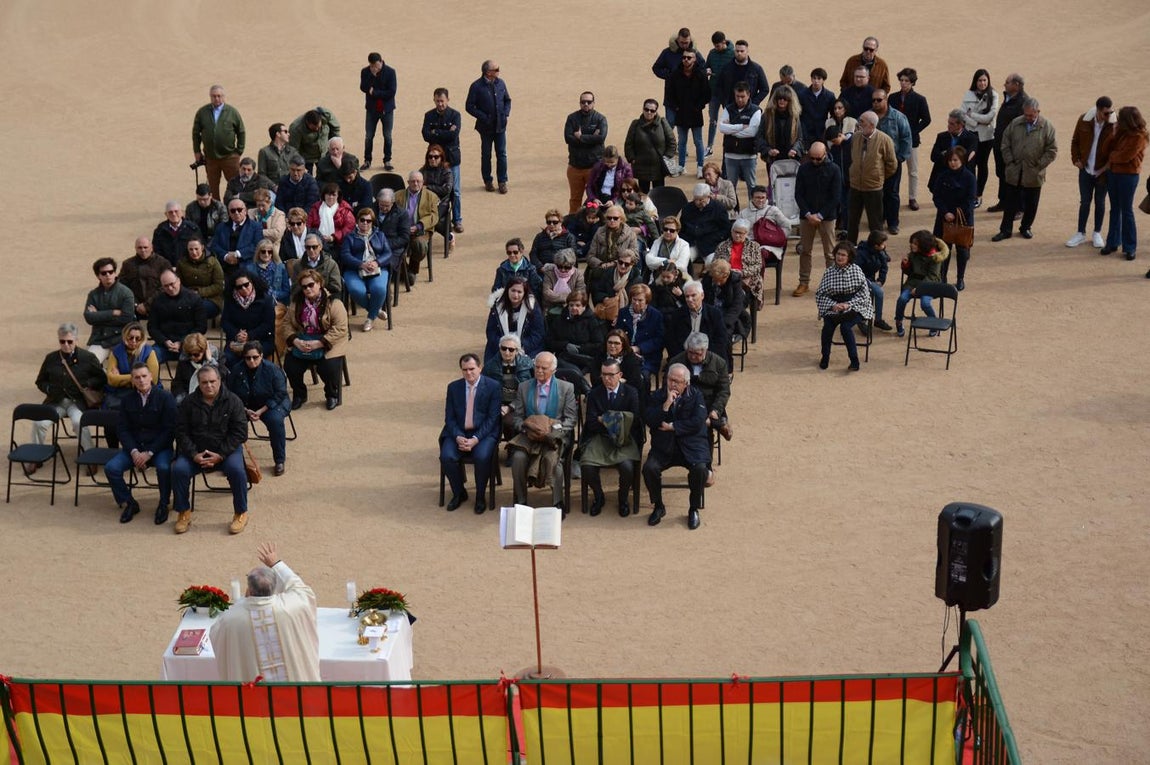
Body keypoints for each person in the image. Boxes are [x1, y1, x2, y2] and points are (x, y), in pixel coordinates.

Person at [209, 542, 320, 682]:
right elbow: (301, 589)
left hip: (257, 699)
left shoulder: (230, 619)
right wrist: (276, 563)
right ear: (274, 588)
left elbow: (217, 637)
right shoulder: (291, 606)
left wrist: (242, 602)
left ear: (249, 589)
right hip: (296, 696)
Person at [170, 365, 249, 535]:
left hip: (225, 451)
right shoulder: (188, 403)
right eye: (204, 382)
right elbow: (181, 431)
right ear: (198, 383)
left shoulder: (234, 401)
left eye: (213, 381)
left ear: (219, 381)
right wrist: (193, 454)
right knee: (179, 470)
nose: (209, 386)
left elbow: (240, 433)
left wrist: (221, 455)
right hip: (196, 451)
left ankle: (241, 512)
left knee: (237, 470)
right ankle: (183, 511)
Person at [105, 362, 176, 524]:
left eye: (144, 376)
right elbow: (123, 429)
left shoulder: (165, 397)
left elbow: (169, 430)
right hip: (135, 448)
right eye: (137, 377)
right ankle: (129, 502)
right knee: (111, 468)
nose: (141, 380)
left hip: (159, 449)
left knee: (165, 468)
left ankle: (163, 503)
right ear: (132, 380)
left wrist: (149, 452)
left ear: (151, 377)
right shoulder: (127, 400)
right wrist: (134, 452)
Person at [643, 362, 709, 530]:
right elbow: (650, 420)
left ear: (686, 383)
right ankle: (658, 506)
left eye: (677, 381)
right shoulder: (657, 396)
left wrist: (673, 427)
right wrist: (665, 405)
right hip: (664, 448)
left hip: (690, 447)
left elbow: (698, 421)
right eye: (670, 380)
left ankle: (693, 509)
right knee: (649, 468)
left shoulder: (696, 396)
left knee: (700, 469)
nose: (673, 384)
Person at [508, 351, 577, 511]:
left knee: (553, 461)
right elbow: (517, 418)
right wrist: (528, 429)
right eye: (536, 367)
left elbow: (570, 419)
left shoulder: (566, 388)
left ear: (553, 370)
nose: (539, 371)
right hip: (529, 436)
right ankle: (521, 501)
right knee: (518, 458)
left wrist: (551, 432)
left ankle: (557, 503)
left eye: (543, 368)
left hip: (554, 437)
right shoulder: (524, 387)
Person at [31, 324, 106, 465]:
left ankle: (90, 457)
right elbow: (40, 381)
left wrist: (88, 384)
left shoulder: (88, 357)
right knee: (39, 423)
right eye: (62, 341)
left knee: (79, 422)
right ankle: (36, 457)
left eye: (69, 341)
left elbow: (101, 378)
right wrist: (48, 389)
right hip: (55, 402)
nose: (66, 345)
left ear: (76, 340)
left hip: (77, 402)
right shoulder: (51, 358)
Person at [580, 357, 643, 517]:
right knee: (587, 465)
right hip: (600, 438)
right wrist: (618, 419)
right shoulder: (595, 394)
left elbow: (634, 420)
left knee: (627, 467)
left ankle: (622, 498)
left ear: (619, 374)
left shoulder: (630, 392)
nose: (607, 378)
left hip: (625, 439)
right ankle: (599, 496)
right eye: (604, 374)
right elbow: (592, 423)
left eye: (611, 375)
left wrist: (605, 418)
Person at [441, 353, 503, 513]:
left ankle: (481, 496)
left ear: (480, 368)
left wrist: (476, 439)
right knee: (447, 457)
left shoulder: (493, 386)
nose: (468, 373)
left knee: (482, 457)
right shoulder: (453, 387)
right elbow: (449, 417)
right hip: (458, 433)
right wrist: (458, 436)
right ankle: (459, 492)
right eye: (464, 370)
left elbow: (493, 418)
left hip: (483, 434)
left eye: (472, 369)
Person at [992, 98, 1058, 241]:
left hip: (1034, 173)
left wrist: (1039, 165)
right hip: (1015, 171)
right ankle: (1005, 230)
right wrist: (1009, 161)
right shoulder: (1016, 123)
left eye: (1031, 115)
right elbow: (1005, 142)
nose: (1028, 118)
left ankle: (1026, 227)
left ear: (1038, 112)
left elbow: (1052, 150)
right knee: (1010, 203)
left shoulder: (1047, 127)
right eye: (1026, 115)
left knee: (1031, 204)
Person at [284, 269, 349, 411]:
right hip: (304, 341)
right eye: (304, 287)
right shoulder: (297, 303)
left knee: (329, 367)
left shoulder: (334, 302)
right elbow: (286, 324)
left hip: (328, 343)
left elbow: (341, 328)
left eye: (311, 285)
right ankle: (299, 395)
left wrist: (320, 343)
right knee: (290, 365)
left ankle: (332, 394)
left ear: (319, 284)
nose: (308, 289)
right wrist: (296, 341)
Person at [229, 342, 290, 476]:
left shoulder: (273, 369)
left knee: (275, 421)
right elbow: (230, 393)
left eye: (255, 357)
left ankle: (279, 460)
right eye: (247, 358)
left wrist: (261, 410)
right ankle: (232, 461)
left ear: (261, 356)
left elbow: (280, 393)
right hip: (246, 405)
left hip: (272, 404)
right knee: (231, 421)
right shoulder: (236, 370)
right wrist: (244, 409)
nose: (251, 361)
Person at [815, 241, 874, 371]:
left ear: (849, 257)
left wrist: (848, 304)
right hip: (834, 307)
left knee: (846, 328)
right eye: (838, 254)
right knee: (827, 328)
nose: (839, 257)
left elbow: (864, 294)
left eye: (843, 255)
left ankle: (854, 361)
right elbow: (820, 294)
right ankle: (825, 357)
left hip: (855, 306)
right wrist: (833, 305)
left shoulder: (856, 270)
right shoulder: (829, 272)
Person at [1068, 97, 1116, 249]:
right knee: (1085, 202)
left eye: (1110, 112)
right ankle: (1080, 233)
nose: (1108, 115)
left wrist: (1106, 167)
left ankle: (1097, 232)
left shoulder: (1113, 124)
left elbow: (1116, 148)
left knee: (1100, 202)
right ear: (1098, 110)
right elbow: (1075, 141)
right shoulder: (1084, 119)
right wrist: (1076, 160)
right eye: (1105, 113)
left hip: (1103, 171)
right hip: (1086, 169)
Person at [794, 143, 842, 296]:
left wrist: (820, 215)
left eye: (818, 159)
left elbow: (835, 197)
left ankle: (832, 284)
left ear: (825, 155)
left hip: (826, 217)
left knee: (830, 253)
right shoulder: (803, 168)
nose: (814, 161)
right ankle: (803, 282)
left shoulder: (834, 169)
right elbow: (798, 194)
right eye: (812, 158)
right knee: (805, 251)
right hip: (806, 216)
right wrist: (808, 214)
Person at [667, 331, 733, 441]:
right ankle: (717, 424)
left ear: (705, 350)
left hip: (708, 401)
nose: (693, 356)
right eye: (690, 352)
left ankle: (713, 423)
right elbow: (669, 384)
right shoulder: (677, 361)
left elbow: (724, 390)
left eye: (697, 354)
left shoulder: (719, 363)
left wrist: (716, 410)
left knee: (706, 418)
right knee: (700, 420)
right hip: (685, 401)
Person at [1102, 106, 1148, 261]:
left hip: (1128, 175)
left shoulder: (1139, 137)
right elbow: (1105, 150)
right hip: (1114, 174)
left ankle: (1130, 247)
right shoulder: (1120, 132)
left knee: (1126, 210)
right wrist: (1112, 134)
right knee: (1114, 208)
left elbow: (1125, 156)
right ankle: (1113, 242)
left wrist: (1112, 156)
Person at [847, 111, 898, 245]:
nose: (859, 123)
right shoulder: (856, 137)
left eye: (862, 121)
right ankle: (850, 247)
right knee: (852, 220)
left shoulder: (884, 140)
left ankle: (878, 249)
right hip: (855, 186)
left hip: (873, 188)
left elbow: (892, 164)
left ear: (871, 125)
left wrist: (878, 177)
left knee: (875, 222)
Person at [340, 207, 394, 332]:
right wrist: (360, 264)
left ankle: (370, 318)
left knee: (379, 289)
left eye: (368, 221)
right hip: (354, 270)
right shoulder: (349, 237)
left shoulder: (380, 235)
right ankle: (375, 310)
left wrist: (377, 262)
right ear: (357, 221)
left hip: (376, 269)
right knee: (356, 290)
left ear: (372, 222)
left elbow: (388, 253)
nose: (365, 223)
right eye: (362, 220)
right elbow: (345, 255)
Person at [931, 147, 977, 290]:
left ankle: (960, 278)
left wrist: (956, 214)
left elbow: (970, 200)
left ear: (962, 160)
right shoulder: (942, 176)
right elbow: (936, 196)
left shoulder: (969, 177)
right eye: (950, 160)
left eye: (956, 160)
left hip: (963, 219)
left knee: (962, 251)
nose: (953, 163)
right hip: (944, 218)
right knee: (944, 249)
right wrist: (945, 212)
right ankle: (942, 277)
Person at [465, 60, 512, 193]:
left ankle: (502, 181)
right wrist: (484, 117)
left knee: (502, 154)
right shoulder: (476, 86)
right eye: (496, 69)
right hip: (485, 127)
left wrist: (505, 114)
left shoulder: (501, 83)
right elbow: (469, 106)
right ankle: (488, 180)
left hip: (500, 125)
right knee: (486, 155)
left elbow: (507, 100)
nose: (499, 71)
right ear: (488, 72)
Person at [422, 87, 464, 232]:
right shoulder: (429, 115)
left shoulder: (455, 115)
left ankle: (457, 220)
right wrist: (445, 132)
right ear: (434, 100)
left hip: (452, 159)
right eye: (438, 101)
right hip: (435, 160)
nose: (440, 104)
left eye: (442, 101)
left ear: (448, 100)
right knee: (433, 187)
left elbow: (454, 135)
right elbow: (425, 135)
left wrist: (436, 132)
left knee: (455, 191)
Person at [192, 85, 245, 200]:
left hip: (230, 156)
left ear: (223, 97)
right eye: (214, 96)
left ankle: (235, 206)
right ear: (210, 97)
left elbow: (241, 132)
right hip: (211, 158)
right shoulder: (202, 112)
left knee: (235, 185)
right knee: (212, 186)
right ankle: (215, 209)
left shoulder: (232, 112)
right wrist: (197, 151)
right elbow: (196, 133)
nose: (216, 98)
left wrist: (239, 150)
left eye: (219, 96)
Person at [889, 68, 931, 211]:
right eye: (901, 80)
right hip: (894, 140)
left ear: (912, 83)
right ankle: (892, 195)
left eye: (906, 81)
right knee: (893, 169)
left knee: (912, 170)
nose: (903, 83)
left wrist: (913, 132)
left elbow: (926, 119)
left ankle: (912, 197)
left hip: (912, 141)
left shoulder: (920, 99)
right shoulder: (892, 97)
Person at [873, 89, 913, 234]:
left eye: (879, 100)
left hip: (892, 162)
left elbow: (906, 138)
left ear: (886, 100)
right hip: (874, 163)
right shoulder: (868, 117)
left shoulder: (898, 117)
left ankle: (893, 222)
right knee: (876, 193)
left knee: (892, 193)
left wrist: (900, 158)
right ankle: (878, 220)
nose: (876, 103)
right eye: (874, 100)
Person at [894, 230, 948, 337]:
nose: (911, 245)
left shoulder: (935, 257)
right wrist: (905, 265)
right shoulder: (913, 255)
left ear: (923, 246)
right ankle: (899, 320)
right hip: (912, 283)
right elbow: (910, 273)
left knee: (925, 303)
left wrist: (919, 289)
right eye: (912, 242)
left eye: (915, 243)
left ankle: (934, 324)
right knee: (902, 299)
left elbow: (932, 276)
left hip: (930, 285)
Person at [666, 48, 710, 178]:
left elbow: (707, 93)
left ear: (695, 59)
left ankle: (700, 167)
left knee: (698, 141)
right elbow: (670, 93)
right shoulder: (675, 74)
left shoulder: (701, 75)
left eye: (689, 58)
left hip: (695, 113)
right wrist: (676, 107)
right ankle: (681, 166)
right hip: (681, 113)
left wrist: (699, 106)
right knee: (682, 141)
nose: (686, 60)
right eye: (684, 57)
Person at [987, 74, 1028, 213]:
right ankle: (1003, 201)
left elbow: (1022, 128)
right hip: (1000, 144)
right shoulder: (1009, 98)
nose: (1004, 84)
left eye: (1007, 82)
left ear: (1016, 85)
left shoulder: (1023, 102)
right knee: (1002, 174)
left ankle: (1019, 208)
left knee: (1016, 178)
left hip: (1013, 148)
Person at [664, 281, 729, 366]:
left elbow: (721, 340)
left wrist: (704, 356)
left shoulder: (714, 314)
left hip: (707, 358)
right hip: (683, 359)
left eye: (693, 295)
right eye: (687, 296)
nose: (689, 299)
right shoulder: (678, 314)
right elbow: (671, 340)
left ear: (702, 295)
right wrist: (683, 357)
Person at [482, 333, 533, 440]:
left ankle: (513, 447)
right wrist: (497, 405)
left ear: (517, 350)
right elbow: (484, 388)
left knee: (511, 421)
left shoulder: (528, 365)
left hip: (521, 403)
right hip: (499, 403)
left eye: (511, 349)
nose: (507, 352)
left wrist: (510, 407)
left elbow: (531, 389)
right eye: (504, 348)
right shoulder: (490, 366)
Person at [83, 257, 135, 363]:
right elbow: (89, 317)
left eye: (111, 272)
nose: (108, 275)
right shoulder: (93, 295)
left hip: (121, 339)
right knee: (88, 364)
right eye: (104, 273)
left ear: (115, 273)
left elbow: (126, 318)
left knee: (125, 367)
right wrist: (113, 312)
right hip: (100, 339)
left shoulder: (126, 293)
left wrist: (98, 315)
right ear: (98, 276)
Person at [149, 270, 207, 363]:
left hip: (189, 345)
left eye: (172, 284)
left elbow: (201, 327)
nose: (170, 288)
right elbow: (152, 327)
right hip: (164, 345)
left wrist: (182, 342)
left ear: (179, 281)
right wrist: (165, 341)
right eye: (166, 286)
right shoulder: (157, 301)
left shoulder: (194, 299)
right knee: (149, 357)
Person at [960, 70, 1000, 207]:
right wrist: (976, 122)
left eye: (984, 80)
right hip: (971, 134)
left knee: (982, 165)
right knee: (970, 164)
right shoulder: (968, 94)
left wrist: (973, 116)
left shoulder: (994, 95)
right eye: (979, 80)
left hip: (986, 137)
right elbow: (963, 115)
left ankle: (978, 194)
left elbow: (990, 117)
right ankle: (970, 193)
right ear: (975, 81)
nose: (982, 83)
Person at [564, 91, 608, 213]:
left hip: (593, 168)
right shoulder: (572, 118)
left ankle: (592, 225)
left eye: (589, 102)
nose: (586, 104)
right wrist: (591, 139)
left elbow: (601, 138)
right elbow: (568, 138)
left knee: (594, 199)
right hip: (575, 167)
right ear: (580, 103)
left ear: (594, 103)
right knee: (575, 200)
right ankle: (573, 224)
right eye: (583, 102)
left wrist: (580, 137)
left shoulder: (600, 119)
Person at [546, 290, 603, 383]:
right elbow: (549, 341)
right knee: (572, 373)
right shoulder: (559, 320)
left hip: (585, 359)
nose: (574, 308)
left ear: (584, 306)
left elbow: (599, 344)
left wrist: (580, 349)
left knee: (578, 374)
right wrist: (565, 345)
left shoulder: (592, 321)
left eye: (577, 305)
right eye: (571, 305)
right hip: (565, 358)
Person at [718, 82, 763, 198]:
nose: (739, 99)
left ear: (748, 95)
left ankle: (753, 210)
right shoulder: (728, 109)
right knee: (730, 187)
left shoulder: (756, 111)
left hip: (749, 156)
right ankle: (732, 211)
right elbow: (722, 128)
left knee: (751, 186)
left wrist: (731, 130)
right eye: (737, 96)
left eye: (742, 96)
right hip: (730, 155)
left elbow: (752, 132)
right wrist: (741, 127)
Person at [103, 322, 160, 411]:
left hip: (144, 392)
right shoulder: (116, 352)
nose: (133, 341)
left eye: (137, 338)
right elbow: (111, 380)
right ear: (125, 337)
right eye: (130, 338)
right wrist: (139, 377)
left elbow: (153, 380)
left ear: (142, 339)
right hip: (121, 392)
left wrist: (120, 378)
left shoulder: (149, 352)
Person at [484, 276, 544, 360]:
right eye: (513, 290)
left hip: (527, 348)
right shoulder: (497, 306)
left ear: (524, 293)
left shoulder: (532, 307)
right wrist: (505, 347)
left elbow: (537, 333)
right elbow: (491, 331)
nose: (515, 295)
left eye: (519, 292)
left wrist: (518, 347)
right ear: (507, 290)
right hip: (500, 347)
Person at [395, 170, 439, 282]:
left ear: (423, 182)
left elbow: (434, 216)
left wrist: (419, 225)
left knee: (420, 246)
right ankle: (404, 271)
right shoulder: (398, 195)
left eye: (418, 181)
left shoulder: (431, 196)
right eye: (413, 181)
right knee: (391, 244)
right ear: (408, 182)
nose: (415, 184)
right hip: (401, 230)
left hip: (421, 231)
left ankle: (412, 270)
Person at [222, 272, 275, 363]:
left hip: (261, 340)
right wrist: (237, 334)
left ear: (252, 283)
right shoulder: (230, 301)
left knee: (253, 357)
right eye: (239, 287)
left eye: (246, 285)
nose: (244, 288)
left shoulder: (266, 300)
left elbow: (268, 324)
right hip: (236, 340)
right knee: (228, 358)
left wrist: (249, 336)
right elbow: (225, 322)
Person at [624, 99, 676, 193]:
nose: (649, 112)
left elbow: (671, 142)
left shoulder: (663, 123)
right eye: (646, 109)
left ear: (656, 112)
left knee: (659, 195)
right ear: (643, 109)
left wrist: (667, 157)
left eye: (652, 110)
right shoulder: (635, 124)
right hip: (642, 167)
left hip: (659, 167)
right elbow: (628, 144)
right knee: (643, 195)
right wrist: (632, 158)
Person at [651, 27, 699, 125]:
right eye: (682, 42)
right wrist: (669, 75)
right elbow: (656, 68)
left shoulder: (694, 53)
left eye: (687, 42)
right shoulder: (667, 53)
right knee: (670, 124)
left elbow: (702, 68)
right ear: (677, 40)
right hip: (671, 98)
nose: (685, 45)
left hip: (688, 98)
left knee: (684, 128)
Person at [713, 218, 764, 310]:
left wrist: (742, 272)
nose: (737, 235)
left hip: (747, 279)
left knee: (734, 290)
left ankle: (732, 313)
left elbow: (758, 266)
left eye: (741, 233)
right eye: (735, 232)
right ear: (731, 231)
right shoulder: (722, 246)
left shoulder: (754, 246)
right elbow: (715, 264)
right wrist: (727, 272)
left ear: (746, 234)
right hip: (725, 277)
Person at [360, 52, 397, 172]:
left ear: (381, 61)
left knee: (387, 136)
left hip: (387, 110)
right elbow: (363, 87)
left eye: (376, 65)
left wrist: (375, 92)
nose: (374, 68)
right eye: (371, 65)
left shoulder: (390, 72)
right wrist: (372, 76)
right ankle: (367, 160)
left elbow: (391, 92)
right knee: (369, 136)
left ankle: (387, 160)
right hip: (372, 109)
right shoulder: (366, 72)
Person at [928, 110, 980, 192]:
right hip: (943, 177)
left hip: (961, 179)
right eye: (948, 123)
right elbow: (933, 157)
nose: (948, 126)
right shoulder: (941, 137)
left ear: (961, 125)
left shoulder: (972, 139)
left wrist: (945, 154)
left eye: (952, 124)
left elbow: (967, 159)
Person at [679, 184, 731, 267]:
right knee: (683, 261)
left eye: (701, 200)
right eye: (696, 200)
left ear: (708, 197)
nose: (698, 202)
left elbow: (726, 229)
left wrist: (715, 238)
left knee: (712, 264)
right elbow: (682, 228)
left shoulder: (718, 208)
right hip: (692, 243)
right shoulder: (688, 208)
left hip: (711, 245)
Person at [121, 236, 173, 318]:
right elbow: (123, 287)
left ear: (151, 247)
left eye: (145, 247)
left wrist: (147, 305)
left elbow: (166, 286)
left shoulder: (163, 263)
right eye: (140, 248)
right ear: (135, 248)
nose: (143, 250)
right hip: (134, 310)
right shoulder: (127, 264)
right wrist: (136, 304)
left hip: (159, 308)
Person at [854, 230, 893, 331]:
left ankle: (878, 320)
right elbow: (856, 271)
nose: (884, 246)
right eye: (883, 244)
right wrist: (867, 283)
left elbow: (884, 266)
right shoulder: (861, 254)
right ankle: (862, 320)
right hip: (859, 279)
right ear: (876, 246)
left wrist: (880, 280)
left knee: (877, 291)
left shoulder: (880, 251)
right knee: (878, 292)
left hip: (871, 279)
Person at [210, 198, 261, 273]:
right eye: (233, 211)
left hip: (246, 266)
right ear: (229, 213)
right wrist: (226, 256)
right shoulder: (221, 227)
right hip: (224, 267)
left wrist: (237, 254)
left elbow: (257, 246)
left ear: (245, 211)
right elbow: (214, 245)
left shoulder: (256, 227)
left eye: (239, 210)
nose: (236, 213)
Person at [171, 332, 225, 404]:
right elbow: (178, 383)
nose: (192, 357)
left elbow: (223, 376)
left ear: (204, 351)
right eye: (189, 354)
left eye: (196, 354)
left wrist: (211, 361)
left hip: (212, 397)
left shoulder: (217, 357)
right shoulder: (184, 361)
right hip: (189, 398)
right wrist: (182, 398)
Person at [758, 86, 804, 170]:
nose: (782, 101)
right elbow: (759, 137)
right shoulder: (767, 116)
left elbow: (799, 138)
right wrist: (768, 150)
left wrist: (795, 150)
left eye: (785, 99)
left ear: (790, 101)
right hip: (773, 160)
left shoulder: (794, 117)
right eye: (779, 98)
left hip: (791, 159)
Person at [704, 32, 735, 155]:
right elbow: (706, 67)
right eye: (715, 46)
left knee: (730, 121)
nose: (716, 48)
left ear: (724, 42)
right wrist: (707, 71)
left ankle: (730, 147)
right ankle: (709, 147)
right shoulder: (712, 53)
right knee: (713, 120)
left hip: (728, 94)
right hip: (714, 93)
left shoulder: (733, 54)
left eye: (718, 46)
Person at [177, 239, 225, 320]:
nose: (194, 252)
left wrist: (199, 292)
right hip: (187, 297)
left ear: (202, 247)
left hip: (211, 299)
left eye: (196, 249)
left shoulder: (213, 262)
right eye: (191, 249)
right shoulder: (181, 263)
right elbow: (178, 283)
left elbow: (219, 285)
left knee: (199, 308)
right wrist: (188, 293)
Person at [714, 39, 769, 108]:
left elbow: (765, 89)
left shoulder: (756, 69)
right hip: (731, 108)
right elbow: (718, 87)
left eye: (742, 51)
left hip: (749, 110)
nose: (739, 53)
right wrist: (724, 102)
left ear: (747, 52)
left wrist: (753, 103)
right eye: (737, 51)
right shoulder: (726, 68)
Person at [701, 259, 747, 340]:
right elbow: (703, 300)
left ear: (727, 275)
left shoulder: (735, 280)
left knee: (724, 334)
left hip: (727, 315)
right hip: (710, 313)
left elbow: (737, 306)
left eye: (720, 280)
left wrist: (724, 322)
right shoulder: (707, 279)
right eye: (715, 280)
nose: (717, 283)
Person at [287, 233, 343, 300]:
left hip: (326, 300)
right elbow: (295, 289)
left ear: (320, 247)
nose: (311, 250)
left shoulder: (331, 264)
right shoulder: (298, 265)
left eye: (314, 247)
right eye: (308, 247)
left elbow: (336, 288)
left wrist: (319, 293)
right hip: (304, 301)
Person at [307, 183, 356, 257]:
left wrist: (333, 237)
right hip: (316, 242)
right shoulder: (315, 208)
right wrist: (317, 237)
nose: (330, 197)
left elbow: (349, 228)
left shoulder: (345, 209)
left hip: (338, 244)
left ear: (338, 196)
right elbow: (308, 226)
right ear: (324, 195)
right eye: (328, 194)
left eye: (333, 195)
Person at [626, 284, 664, 377]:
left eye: (640, 300)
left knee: (642, 376)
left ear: (647, 301)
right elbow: (619, 335)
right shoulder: (623, 313)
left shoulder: (656, 315)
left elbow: (659, 340)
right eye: (634, 299)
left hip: (648, 356)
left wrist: (639, 348)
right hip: (626, 354)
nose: (636, 303)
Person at [586, 203, 639, 269]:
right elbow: (590, 256)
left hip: (621, 269)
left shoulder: (630, 234)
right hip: (601, 269)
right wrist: (602, 265)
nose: (612, 220)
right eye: (609, 218)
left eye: (615, 218)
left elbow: (635, 257)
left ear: (621, 219)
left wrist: (614, 264)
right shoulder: (599, 232)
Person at [289, 108, 341, 173]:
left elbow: (335, 129)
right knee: (307, 179)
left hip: (324, 153)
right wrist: (299, 164)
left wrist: (337, 145)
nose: (317, 129)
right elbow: (293, 149)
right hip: (306, 157)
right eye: (314, 128)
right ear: (307, 123)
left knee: (328, 176)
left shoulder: (327, 116)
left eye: (319, 127)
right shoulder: (296, 129)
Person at [540, 247, 585, 314]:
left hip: (572, 307)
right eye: (559, 266)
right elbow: (547, 293)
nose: (563, 270)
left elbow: (579, 294)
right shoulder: (549, 272)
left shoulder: (578, 274)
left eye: (567, 267)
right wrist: (568, 296)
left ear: (572, 265)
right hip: (550, 307)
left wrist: (557, 296)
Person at [798, 68, 836, 148]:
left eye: (819, 79)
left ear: (823, 80)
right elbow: (798, 113)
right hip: (805, 131)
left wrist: (828, 127)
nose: (816, 81)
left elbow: (833, 114)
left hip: (822, 131)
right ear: (811, 79)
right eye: (814, 78)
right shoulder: (802, 94)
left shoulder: (829, 96)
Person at [247, 189, 286, 257]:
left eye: (263, 205)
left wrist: (258, 232)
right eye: (258, 205)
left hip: (272, 249)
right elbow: (247, 231)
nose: (261, 208)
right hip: (253, 248)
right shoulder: (250, 212)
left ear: (269, 203)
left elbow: (277, 234)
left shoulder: (279, 214)